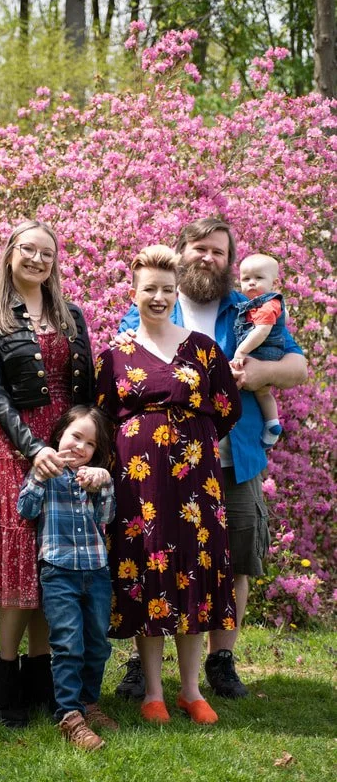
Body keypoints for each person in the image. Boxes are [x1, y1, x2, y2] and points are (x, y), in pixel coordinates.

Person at [116, 219, 307, 701]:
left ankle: (221, 660)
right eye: (199, 248)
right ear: (181, 254)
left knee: (236, 556)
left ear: (230, 261)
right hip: (162, 464)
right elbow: (121, 364)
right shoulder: (153, 302)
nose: (208, 258)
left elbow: (298, 366)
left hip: (233, 456)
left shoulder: (251, 310)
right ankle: (144, 664)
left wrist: (260, 369)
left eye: (219, 252)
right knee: (156, 551)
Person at [96, 245, 242, 725]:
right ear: (133, 293)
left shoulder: (202, 347)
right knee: (150, 574)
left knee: (195, 574)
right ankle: (154, 692)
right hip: (140, 487)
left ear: (175, 291)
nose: (157, 297)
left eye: (165, 289)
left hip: (195, 482)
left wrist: (189, 442)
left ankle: (193, 691)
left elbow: (227, 408)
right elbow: (101, 418)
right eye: (148, 290)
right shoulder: (115, 355)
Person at [0, 221, 95, 728]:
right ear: (10, 255)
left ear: (54, 262)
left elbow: (84, 391)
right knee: (21, 563)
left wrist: (81, 446)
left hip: (67, 449)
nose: (37, 259)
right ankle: (7, 681)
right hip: (19, 449)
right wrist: (32, 446)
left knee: (57, 565)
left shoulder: (72, 315)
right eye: (28, 250)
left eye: (47, 253)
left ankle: (45, 677)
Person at [18, 405, 117, 750]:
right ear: (60, 434)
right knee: (68, 644)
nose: (79, 447)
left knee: (97, 644)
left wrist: (104, 482)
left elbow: (107, 515)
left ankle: (90, 702)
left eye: (89, 443)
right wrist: (39, 476)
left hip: (96, 571)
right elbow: (26, 510)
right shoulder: (45, 472)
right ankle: (70, 715)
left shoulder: (92, 478)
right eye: (75, 436)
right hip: (59, 572)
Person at [232, 253, 286, 449]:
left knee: (238, 381)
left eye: (259, 278)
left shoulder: (268, 303)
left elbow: (262, 331)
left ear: (275, 282)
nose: (252, 283)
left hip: (262, 352)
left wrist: (241, 352)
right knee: (263, 393)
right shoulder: (262, 304)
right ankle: (272, 424)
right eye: (246, 279)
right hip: (265, 352)